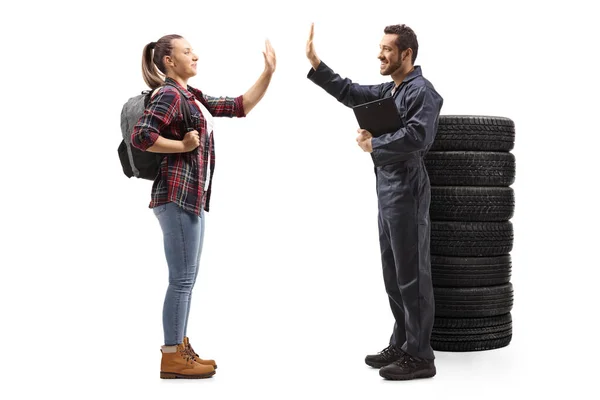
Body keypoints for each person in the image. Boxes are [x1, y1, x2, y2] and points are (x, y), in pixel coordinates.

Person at [131, 34, 276, 379]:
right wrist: (181, 145)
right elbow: (142, 135)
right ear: (169, 61)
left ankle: (179, 347)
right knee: (181, 280)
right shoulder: (169, 93)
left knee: (186, 279)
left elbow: (238, 106)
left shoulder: (190, 96)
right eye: (187, 51)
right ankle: (171, 356)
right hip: (176, 198)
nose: (195, 55)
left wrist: (268, 72)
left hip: (190, 199)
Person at [305, 23, 443, 381]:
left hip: (408, 187)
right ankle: (402, 342)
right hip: (387, 187)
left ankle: (421, 355)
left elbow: (418, 136)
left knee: (412, 273)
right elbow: (350, 91)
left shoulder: (422, 92)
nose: (379, 55)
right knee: (393, 272)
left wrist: (374, 144)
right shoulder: (390, 90)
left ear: (406, 54)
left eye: (386, 49)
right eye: (379, 48)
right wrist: (317, 64)